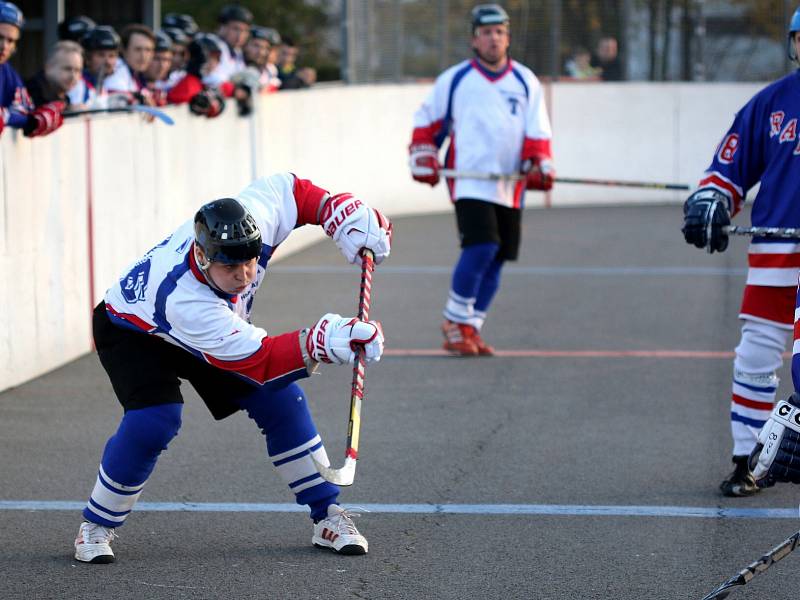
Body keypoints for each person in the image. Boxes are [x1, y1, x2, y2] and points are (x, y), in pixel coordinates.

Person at [73, 173, 393, 564]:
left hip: (211, 322)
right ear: (204, 257)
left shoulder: (255, 215)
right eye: (231, 267)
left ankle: (327, 515)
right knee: (154, 421)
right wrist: (321, 341)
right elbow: (260, 362)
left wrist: (337, 210)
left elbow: (293, 191)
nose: (244, 276)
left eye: (251, 260)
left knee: (282, 400)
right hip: (133, 330)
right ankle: (96, 525)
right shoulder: (184, 299)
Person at [681, 5, 800, 497]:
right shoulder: (770, 103)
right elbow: (727, 169)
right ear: (793, 44)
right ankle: (747, 459)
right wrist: (711, 201)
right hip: (776, 250)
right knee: (755, 354)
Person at [408, 3, 554, 357]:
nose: (493, 38)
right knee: (482, 246)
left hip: (509, 185)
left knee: (499, 257)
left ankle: (470, 326)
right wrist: (425, 154)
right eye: (486, 33)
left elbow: (538, 132)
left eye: (499, 32)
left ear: (507, 37)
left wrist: (537, 163)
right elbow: (428, 124)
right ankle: (454, 322)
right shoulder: (456, 80)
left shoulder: (525, 81)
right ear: (475, 39)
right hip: (470, 181)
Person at [0, 1, 64, 138]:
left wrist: (33, 121)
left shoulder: (7, 72)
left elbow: (23, 111)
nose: (3, 46)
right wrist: (26, 121)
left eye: (10, 40)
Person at [102, 23, 155, 104]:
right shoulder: (117, 69)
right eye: (138, 49)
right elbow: (114, 98)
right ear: (123, 50)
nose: (143, 56)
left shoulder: (137, 73)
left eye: (148, 50)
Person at [26, 40, 84, 108]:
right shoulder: (30, 93)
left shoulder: (63, 96)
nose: (73, 76)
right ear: (48, 68)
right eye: (67, 69)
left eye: (78, 70)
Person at [79, 25, 120, 98]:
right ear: (88, 58)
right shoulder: (79, 83)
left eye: (112, 56)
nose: (107, 61)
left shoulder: (113, 81)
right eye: (101, 55)